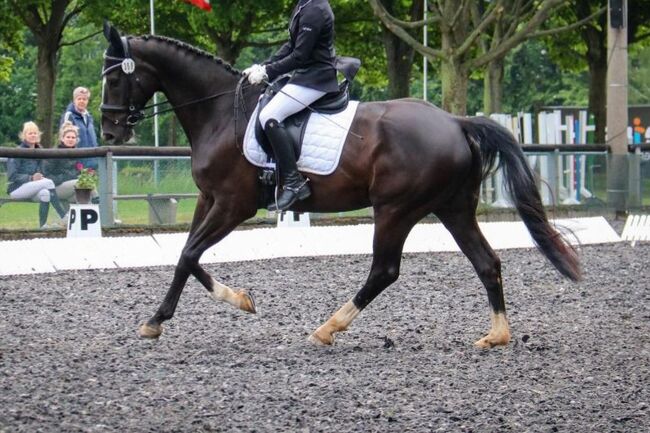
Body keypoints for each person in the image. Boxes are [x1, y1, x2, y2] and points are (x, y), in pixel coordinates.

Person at [243, 0, 338, 211]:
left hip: (316, 78)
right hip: (305, 76)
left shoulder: (315, 10)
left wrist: (269, 72)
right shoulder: (304, 4)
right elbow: (290, 45)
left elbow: (299, 55)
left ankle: (294, 182)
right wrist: (265, 65)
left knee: (269, 116)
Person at [6, 121, 67, 229]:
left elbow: (43, 171)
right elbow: (12, 176)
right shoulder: (17, 151)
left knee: (45, 193)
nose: (33, 135)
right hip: (16, 188)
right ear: (24, 135)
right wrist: (31, 178)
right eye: (30, 133)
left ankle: (42, 225)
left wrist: (41, 177)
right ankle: (63, 215)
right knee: (48, 183)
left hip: (34, 187)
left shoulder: (40, 151)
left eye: (35, 133)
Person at [45, 122, 97, 207]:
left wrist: (86, 174)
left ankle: (76, 217)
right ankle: (98, 200)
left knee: (84, 196)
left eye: (73, 137)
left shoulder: (77, 154)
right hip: (54, 187)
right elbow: (47, 176)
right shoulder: (54, 153)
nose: (70, 139)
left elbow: (79, 172)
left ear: (76, 140)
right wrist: (64, 177)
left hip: (71, 188)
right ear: (62, 139)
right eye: (68, 137)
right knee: (80, 183)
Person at [60, 86, 99, 170]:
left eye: (84, 99)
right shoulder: (69, 116)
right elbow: (64, 141)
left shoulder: (89, 117)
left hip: (92, 162)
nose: (82, 101)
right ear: (74, 100)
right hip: (77, 164)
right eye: (79, 99)